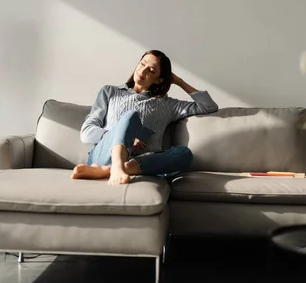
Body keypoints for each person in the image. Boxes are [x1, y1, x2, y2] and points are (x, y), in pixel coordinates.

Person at [71, 50, 219, 185]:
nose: (142, 70)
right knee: (131, 116)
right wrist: (123, 138)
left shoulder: (167, 105)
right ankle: (116, 165)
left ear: (159, 80)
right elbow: (86, 132)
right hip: (104, 155)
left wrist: (178, 81)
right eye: (142, 64)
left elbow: (208, 106)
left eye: (151, 70)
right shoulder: (110, 92)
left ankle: (109, 170)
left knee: (184, 154)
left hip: (141, 161)